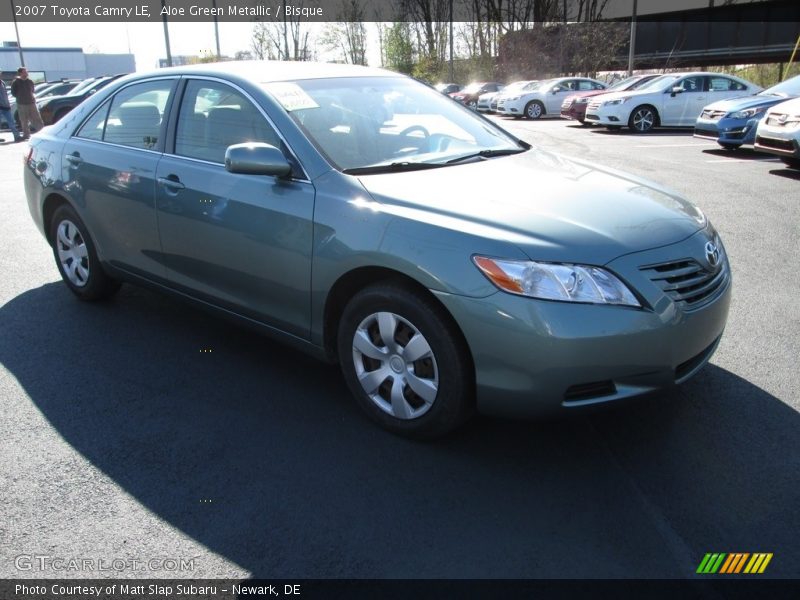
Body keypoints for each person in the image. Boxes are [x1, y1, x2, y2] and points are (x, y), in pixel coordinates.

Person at [10, 67, 44, 139]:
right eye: (24, 72)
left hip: (31, 103)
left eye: (26, 72)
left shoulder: (30, 81)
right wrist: (20, 97)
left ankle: (42, 132)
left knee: (37, 118)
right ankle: (26, 135)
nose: (26, 73)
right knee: (24, 120)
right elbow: (13, 93)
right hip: (21, 104)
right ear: (20, 73)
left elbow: (32, 90)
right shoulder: (16, 82)